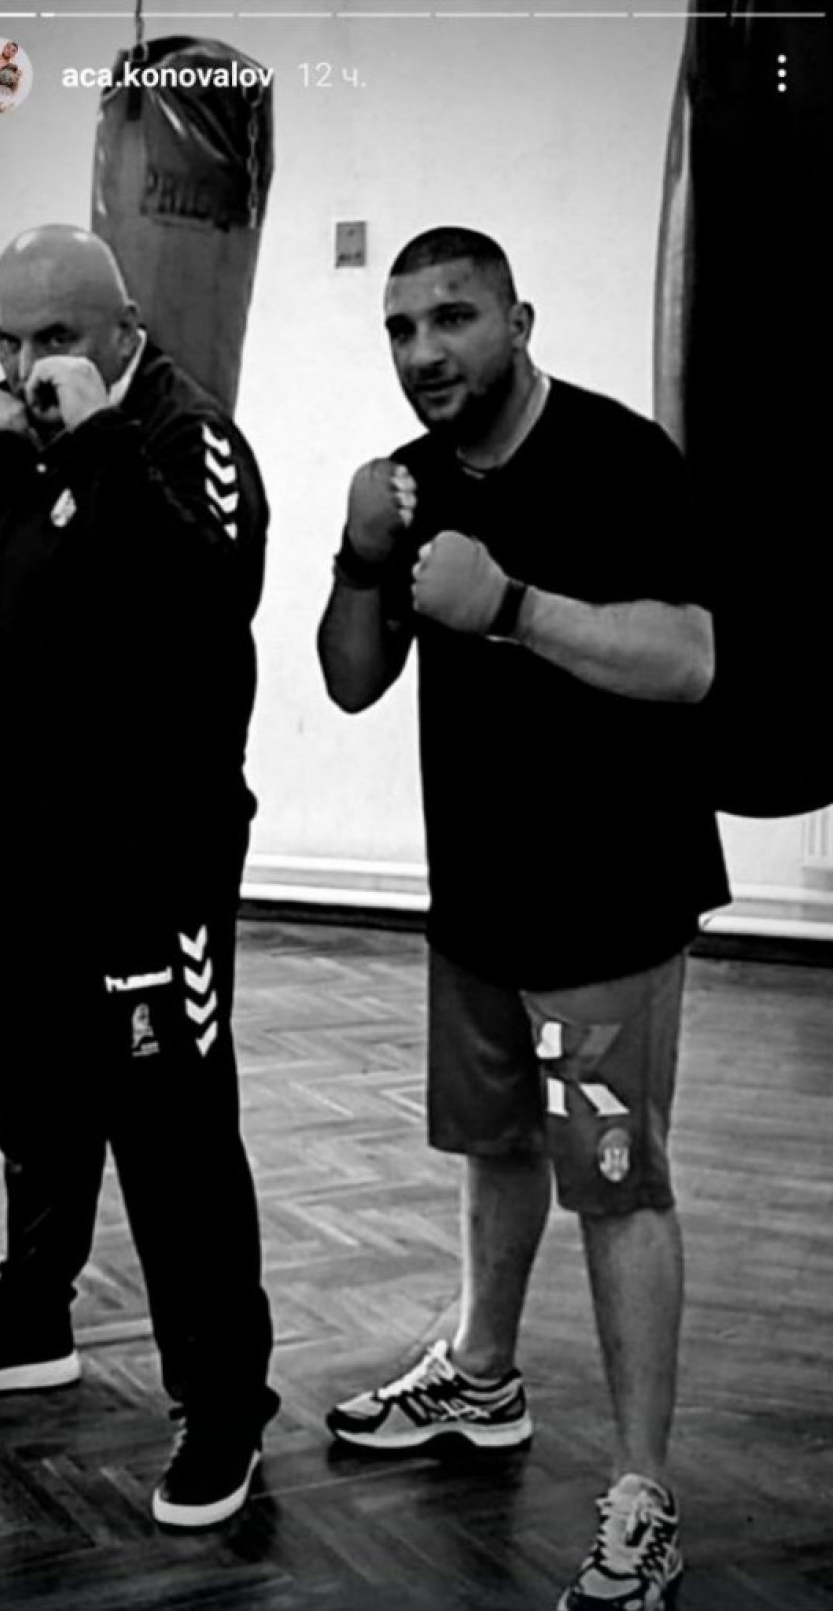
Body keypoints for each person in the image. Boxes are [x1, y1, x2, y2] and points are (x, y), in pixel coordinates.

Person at [317, 226, 729, 1611]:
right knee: (494, 1149)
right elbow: (352, 682)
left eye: (453, 318)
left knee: (616, 1184)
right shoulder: (412, 480)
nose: (424, 351)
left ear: (519, 321)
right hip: (478, 900)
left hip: (608, 908)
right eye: (401, 328)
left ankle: (642, 1494)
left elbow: (687, 660)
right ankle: (483, 1379)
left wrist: (511, 607)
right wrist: (359, 554)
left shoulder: (621, 459)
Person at [0, 224, 277, 1529]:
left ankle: (223, 1400)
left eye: (56, 338)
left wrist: (94, 442)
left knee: (172, 1128)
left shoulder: (191, 440)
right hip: (15, 849)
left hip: (151, 863)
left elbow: (198, 603)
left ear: (123, 329)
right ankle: (32, 1314)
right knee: (36, 1097)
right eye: (8, 340)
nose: (30, 364)